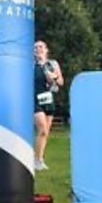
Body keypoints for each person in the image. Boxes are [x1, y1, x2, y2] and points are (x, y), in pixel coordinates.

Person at [33, 40, 64, 171]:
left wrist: (54, 77)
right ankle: (36, 161)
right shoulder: (30, 65)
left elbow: (61, 82)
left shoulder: (52, 64)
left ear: (46, 50)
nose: (38, 49)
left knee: (45, 133)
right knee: (43, 129)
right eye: (35, 47)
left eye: (41, 47)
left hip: (48, 99)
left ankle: (39, 159)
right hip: (34, 99)